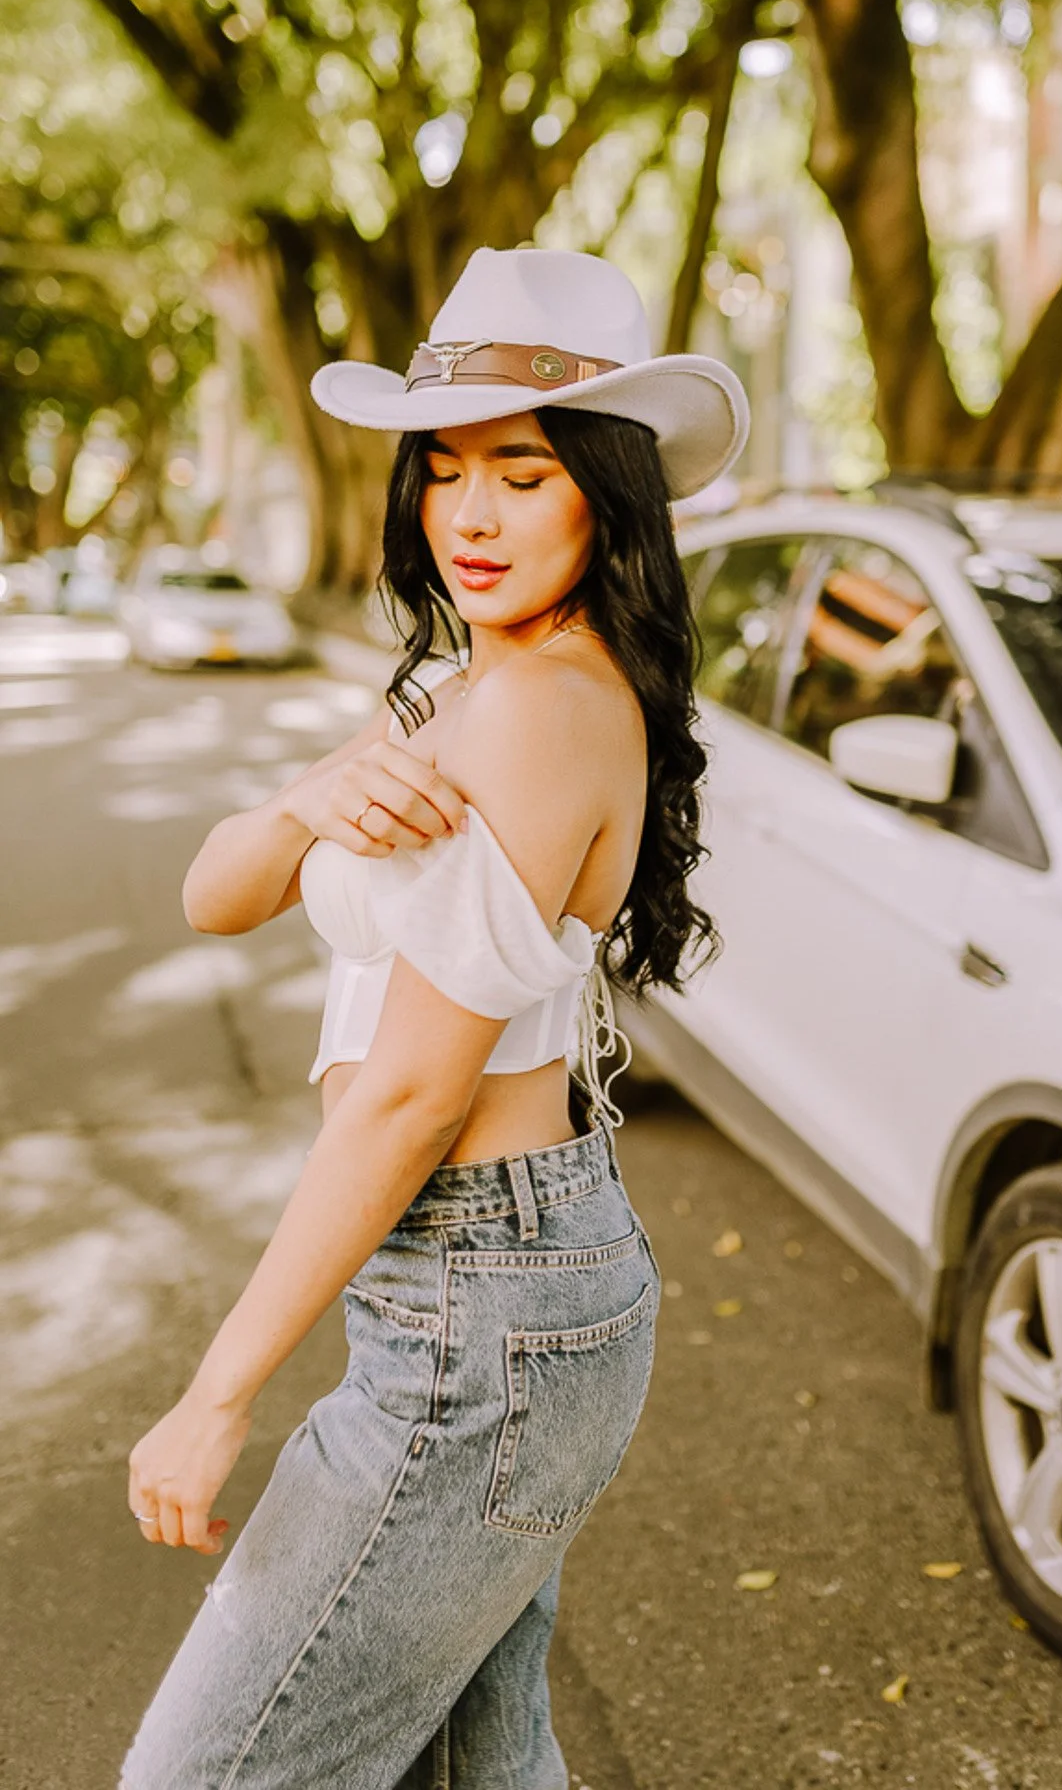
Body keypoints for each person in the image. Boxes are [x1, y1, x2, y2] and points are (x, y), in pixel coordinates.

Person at [119, 246, 749, 1790]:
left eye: (522, 471)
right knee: (473, 1764)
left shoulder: (539, 702)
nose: (468, 513)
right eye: (444, 468)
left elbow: (410, 1098)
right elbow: (214, 893)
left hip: (487, 1306)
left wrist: (215, 1398)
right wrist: (305, 795)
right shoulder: (461, 680)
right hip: (490, 1286)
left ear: (606, 489)